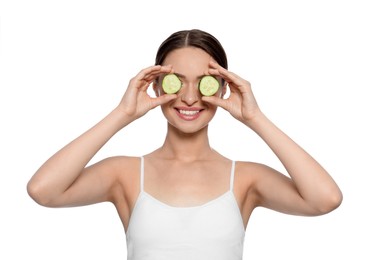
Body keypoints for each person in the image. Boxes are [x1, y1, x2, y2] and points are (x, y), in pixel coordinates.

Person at [27, 29, 343, 259]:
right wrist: (123, 113)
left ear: (223, 89)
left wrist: (255, 117)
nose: (190, 98)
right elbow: (43, 190)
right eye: (176, 82)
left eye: (204, 84)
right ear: (155, 85)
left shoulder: (246, 179)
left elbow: (325, 199)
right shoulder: (124, 173)